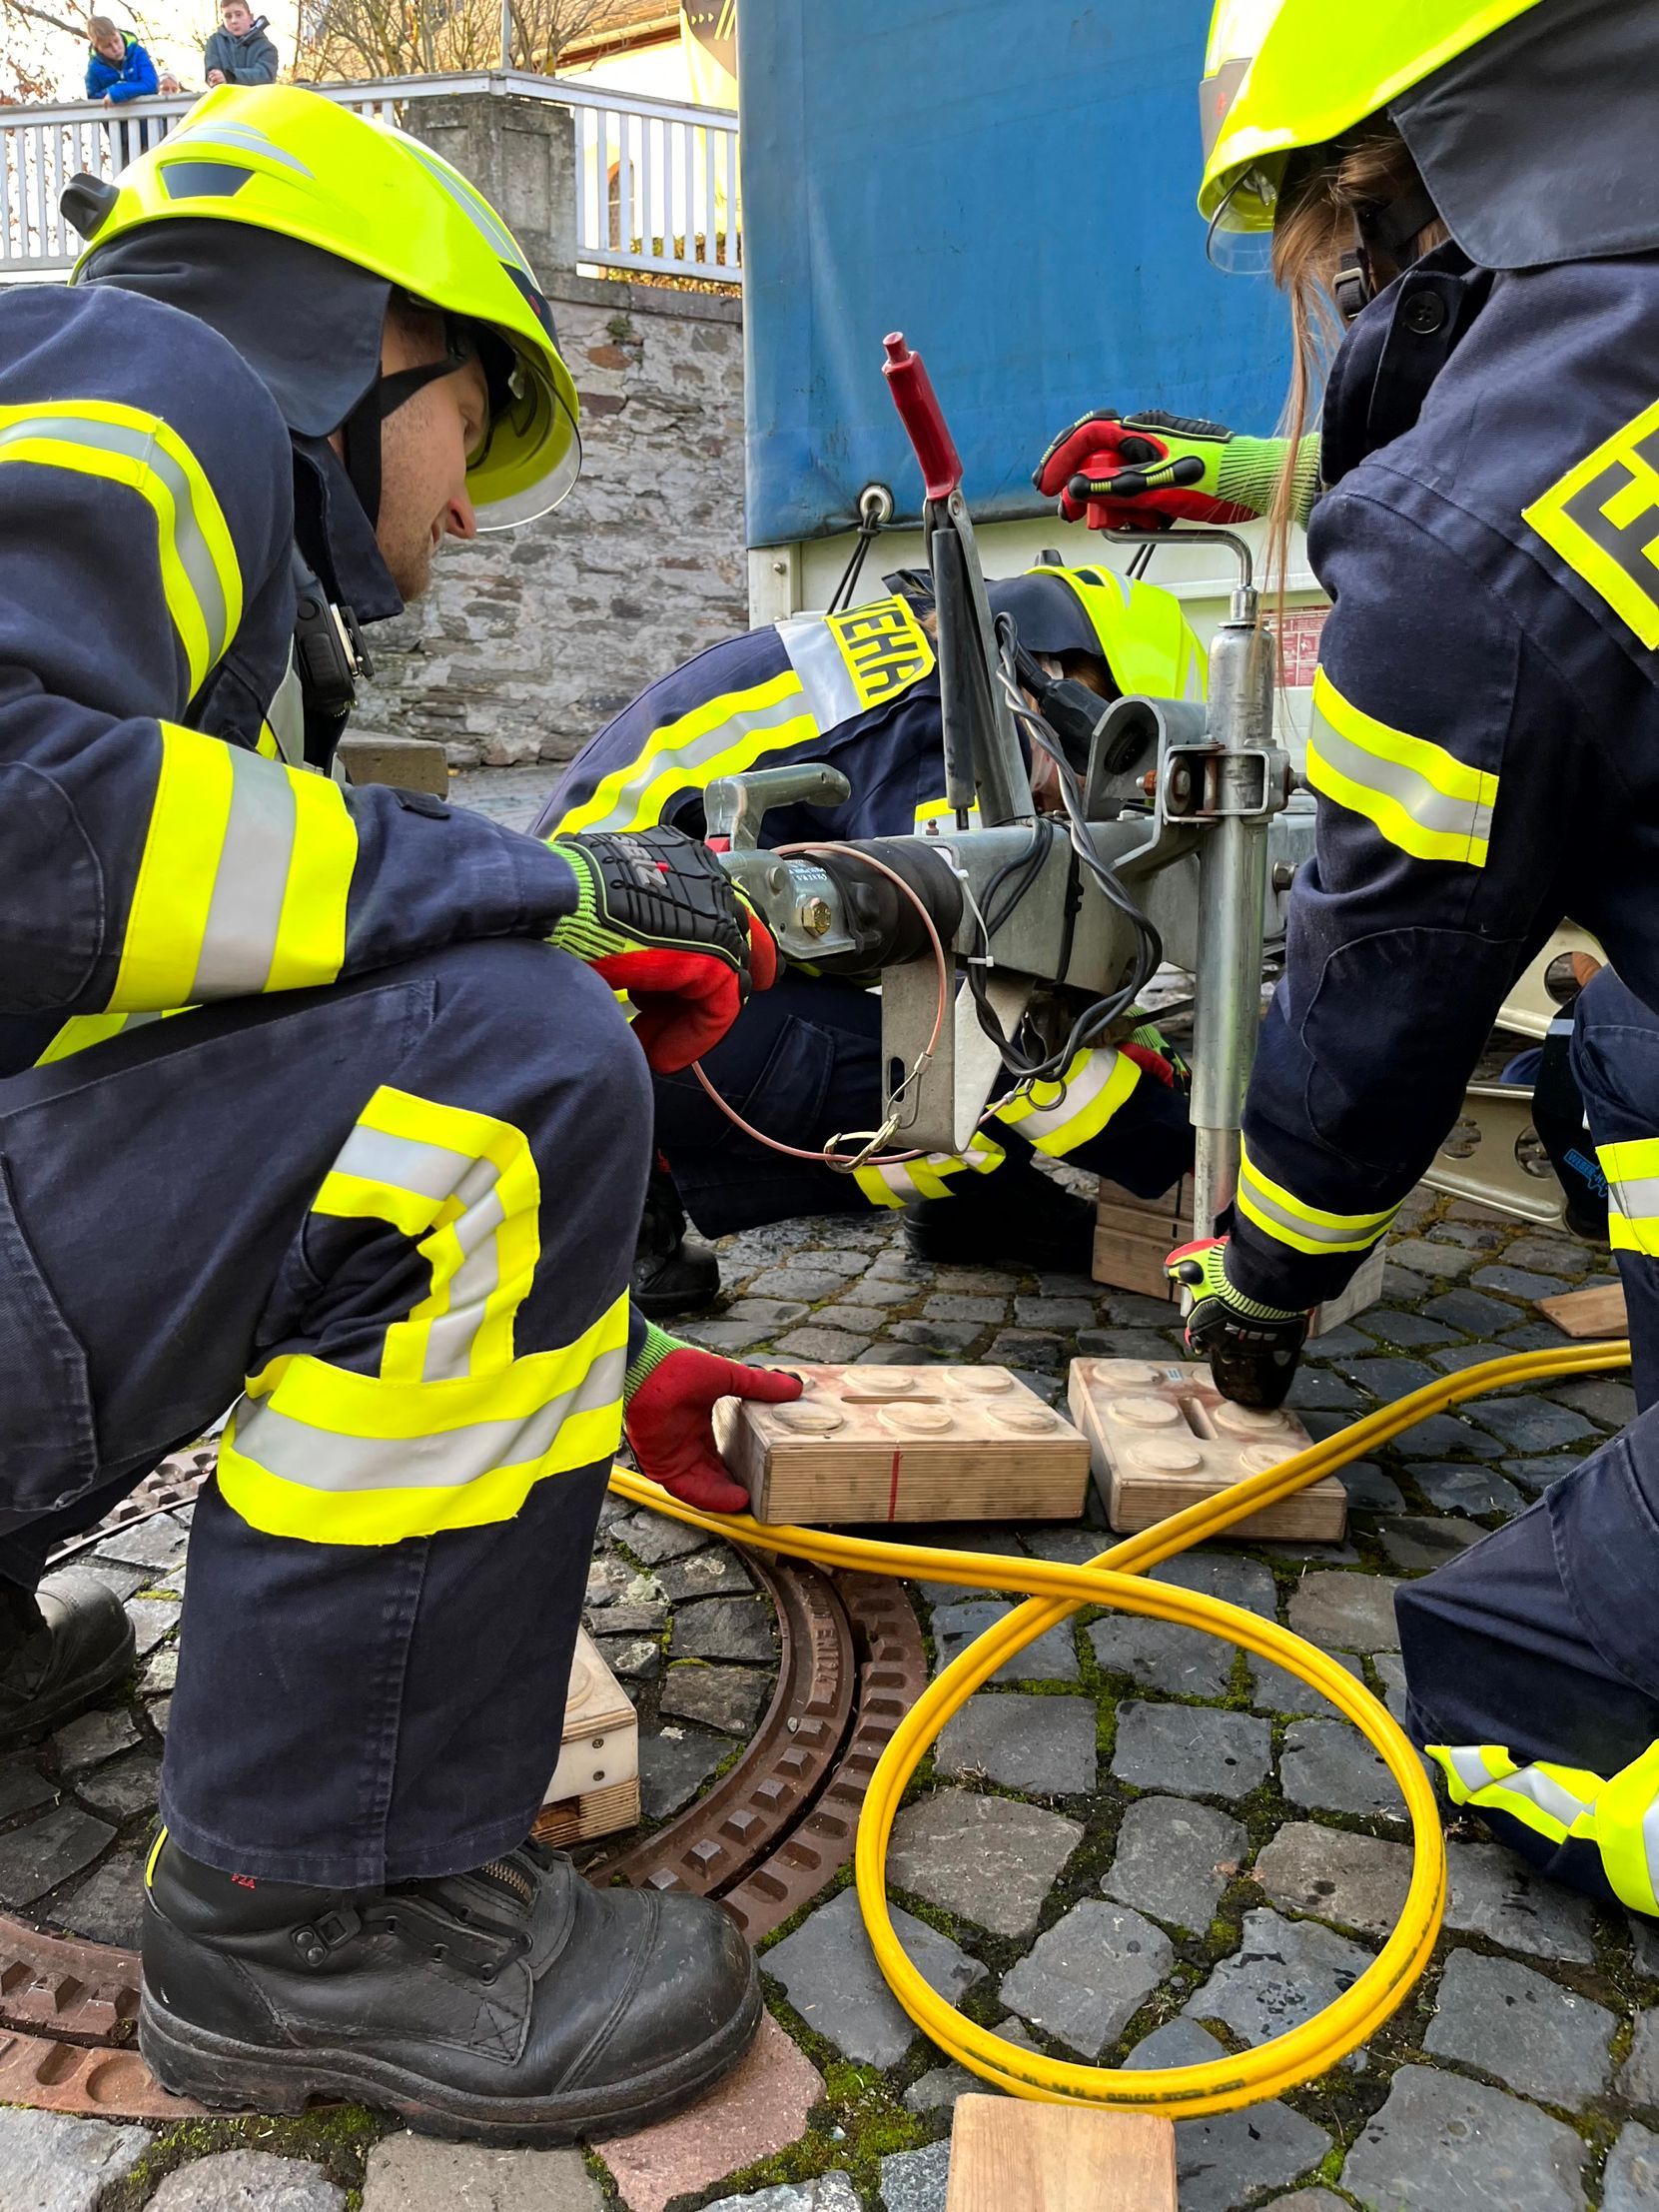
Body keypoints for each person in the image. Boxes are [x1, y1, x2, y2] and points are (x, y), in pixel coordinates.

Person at [6, 80, 801, 2136]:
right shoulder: (153, 379)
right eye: (472, 422)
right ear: (359, 336)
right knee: (512, 1062)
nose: (463, 521)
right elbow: (17, 835)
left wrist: (599, 1350)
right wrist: (535, 886)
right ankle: (313, 1918)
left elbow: (160, 1062)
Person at [1043, 0, 1659, 1916]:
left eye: (1327, 250)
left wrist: (1261, 1284)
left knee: (1532, 1674)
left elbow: (1382, 993)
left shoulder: (1466, 543)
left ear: (1397, 184)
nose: (1329, 296)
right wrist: (1256, 470)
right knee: (1626, 1041)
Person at [541, 564, 1204, 1309]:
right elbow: (980, 1002)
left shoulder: (923, 664)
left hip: (598, 988)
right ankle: (630, 1196)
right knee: (959, 1089)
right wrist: (1195, 1156)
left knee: (933, 1043)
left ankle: (640, 1217)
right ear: (1062, 689)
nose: (1089, 790)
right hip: (627, 1012)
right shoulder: (947, 724)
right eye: (1106, 756)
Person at [85, 15, 160, 168]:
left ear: (118, 33)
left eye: (116, 41)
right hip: (121, 137)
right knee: (128, 171)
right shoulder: (94, 69)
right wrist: (111, 93)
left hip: (150, 129)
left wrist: (118, 91)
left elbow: (151, 84)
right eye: (108, 46)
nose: (115, 48)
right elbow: (94, 98)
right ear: (98, 47)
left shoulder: (137, 53)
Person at [160, 0, 278, 93]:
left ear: (250, 18)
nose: (234, 20)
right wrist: (215, 78)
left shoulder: (267, 48)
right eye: (228, 16)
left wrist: (230, 77)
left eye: (238, 14)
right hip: (225, 105)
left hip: (256, 105)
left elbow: (265, 76)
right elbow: (211, 71)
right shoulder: (214, 42)